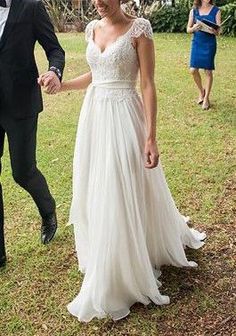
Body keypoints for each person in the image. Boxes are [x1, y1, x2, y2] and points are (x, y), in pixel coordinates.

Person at [54, 0, 206, 322]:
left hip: (125, 116)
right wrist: (63, 85)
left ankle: (121, 267)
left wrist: (151, 137)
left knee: (122, 185)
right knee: (97, 184)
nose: (98, 4)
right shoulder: (92, 29)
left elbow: (148, 84)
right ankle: (106, 252)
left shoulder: (140, 29)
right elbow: (96, 75)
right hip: (94, 118)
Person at [0, 0, 65, 268]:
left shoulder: (31, 6)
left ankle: (48, 210)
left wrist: (53, 71)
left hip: (21, 103)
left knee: (23, 172)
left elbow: (55, 50)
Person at [187, 0, 221, 110]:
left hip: (209, 44)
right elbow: (188, 29)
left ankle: (206, 98)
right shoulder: (194, 10)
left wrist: (214, 31)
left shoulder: (216, 10)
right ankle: (201, 91)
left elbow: (219, 31)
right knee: (193, 70)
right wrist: (194, 28)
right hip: (197, 43)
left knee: (208, 71)